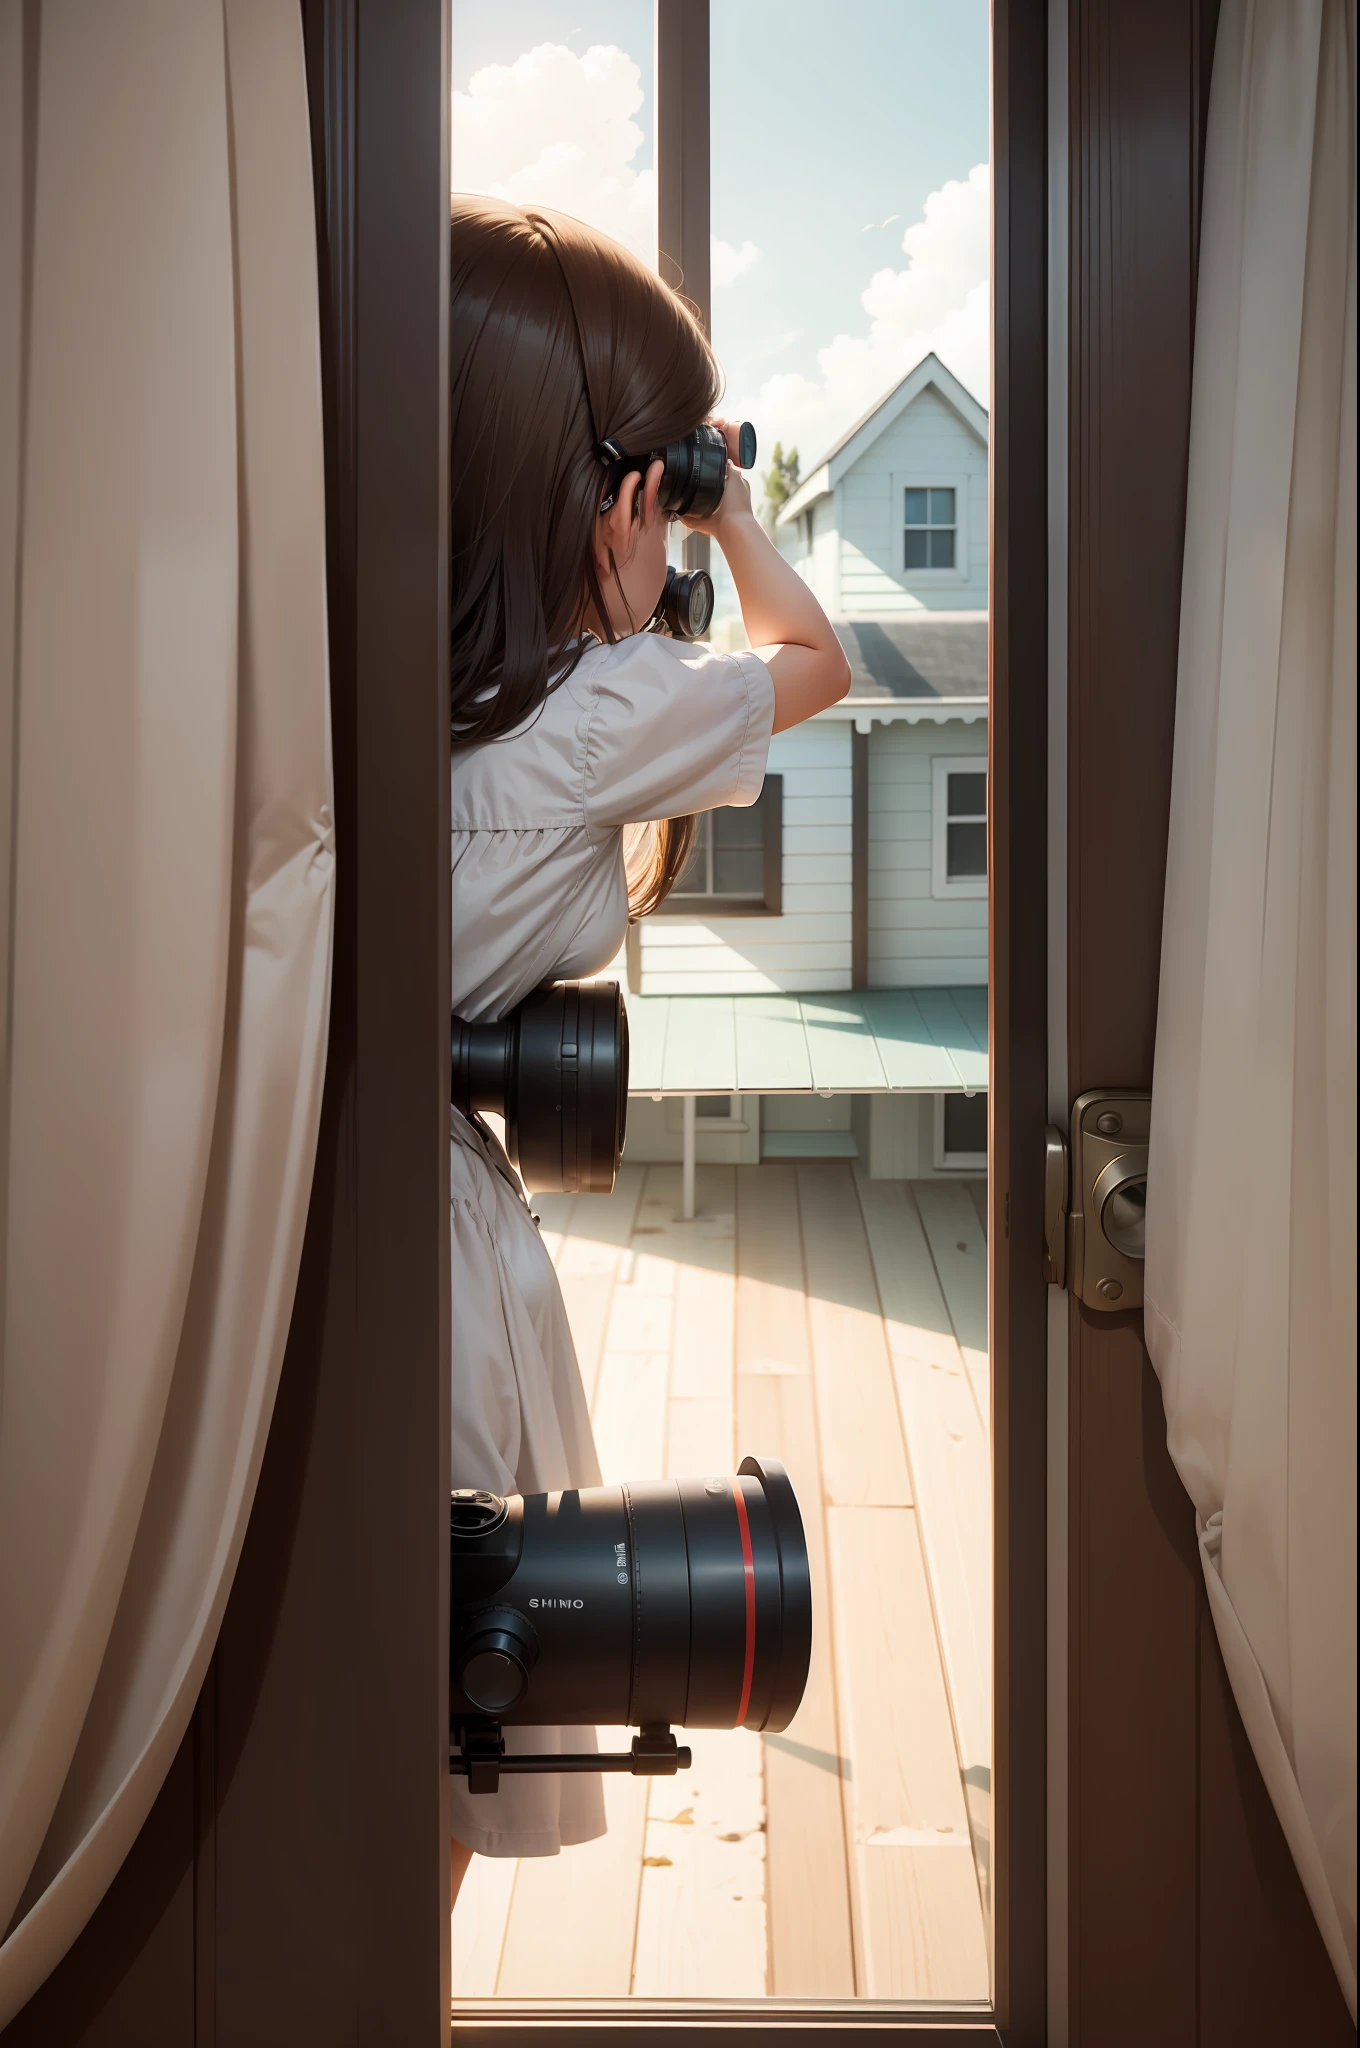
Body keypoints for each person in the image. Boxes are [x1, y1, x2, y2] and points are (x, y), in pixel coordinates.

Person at [446, 196, 848, 1895]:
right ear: (612, 491)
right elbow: (812, 660)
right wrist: (734, 512)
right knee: (446, 1746)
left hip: (312, 1206)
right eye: (659, 486)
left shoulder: (384, 675)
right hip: (435, 1255)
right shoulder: (600, 711)